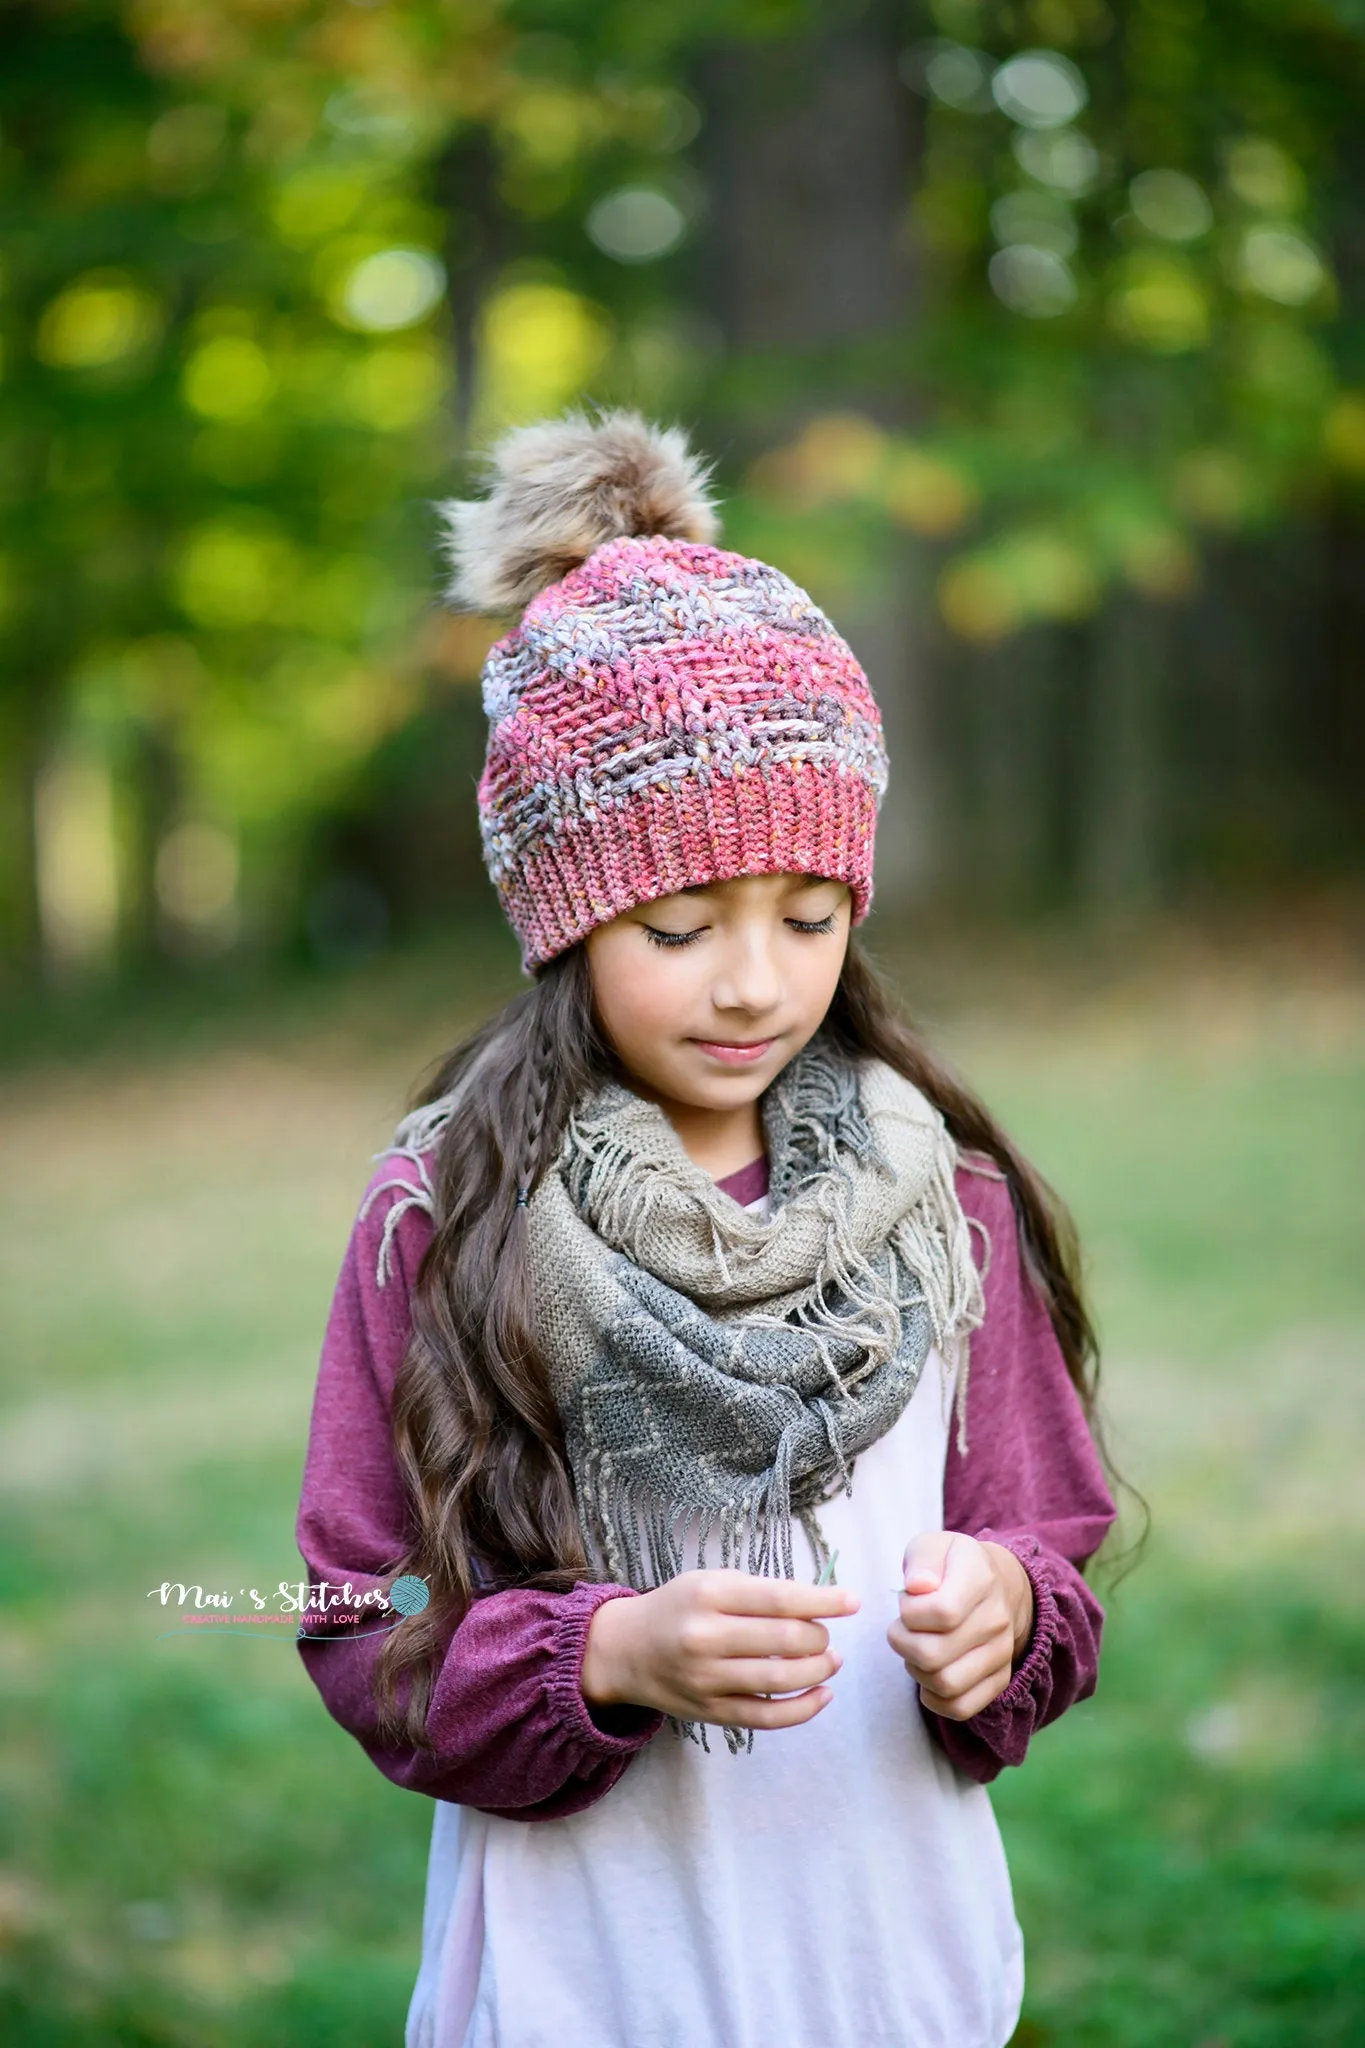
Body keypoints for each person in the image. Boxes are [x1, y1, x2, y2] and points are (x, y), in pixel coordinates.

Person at [294, 409, 1122, 2048]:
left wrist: (1012, 1610)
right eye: (677, 925)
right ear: (564, 917)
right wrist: (604, 1652)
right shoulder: (445, 1222)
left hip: (889, 1965)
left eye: (809, 918)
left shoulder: (938, 1204)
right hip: (591, 1979)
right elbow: (353, 1613)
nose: (754, 983)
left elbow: (1051, 1533)